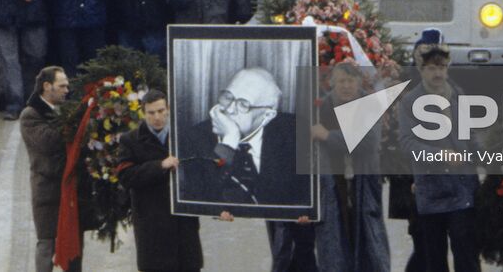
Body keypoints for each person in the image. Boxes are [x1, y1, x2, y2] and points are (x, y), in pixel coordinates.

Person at [396, 34, 479, 272]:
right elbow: (407, 143)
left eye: (442, 67)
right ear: (421, 70)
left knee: (467, 256)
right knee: (434, 259)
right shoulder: (410, 102)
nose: (438, 73)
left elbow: (470, 137)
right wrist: (439, 154)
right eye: (432, 68)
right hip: (430, 193)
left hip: (462, 190)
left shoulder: (459, 95)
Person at [177, 67, 311, 209]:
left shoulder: (294, 131)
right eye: (228, 97)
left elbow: (302, 195)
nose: (229, 109)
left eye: (243, 104)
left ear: (268, 115)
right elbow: (201, 196)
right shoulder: (195, 137)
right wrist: (228, 143)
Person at [314, 62, 390, 272]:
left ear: (358, 82)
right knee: (334, 240)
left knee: (369, 238)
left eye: (350, 81)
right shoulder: (322, 108)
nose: (346, 86)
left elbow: (368, 141)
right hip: (332, 183)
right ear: (332, 83)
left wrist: (328, 136)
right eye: (341, 81)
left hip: (364, 181)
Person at [118, 89, 204, 272]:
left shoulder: (184, 136)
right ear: (143, 112)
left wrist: (216, 208)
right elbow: (126, 176)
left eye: (160, 111)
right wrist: (159, 166)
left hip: (183, 226)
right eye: (151, 113)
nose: (157, 117)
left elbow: (201, 174)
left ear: (168, 109)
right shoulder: (130, 140)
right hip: (152, 225)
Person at [20, 65, 73, 272]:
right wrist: (71, 125)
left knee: (72, 241)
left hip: (68, 185)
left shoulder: (63, 110)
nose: (67, 90)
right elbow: (49, 142)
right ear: (46, 86)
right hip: (47, 188)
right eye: (62, 86)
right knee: (47, 242)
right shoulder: (30, 115)